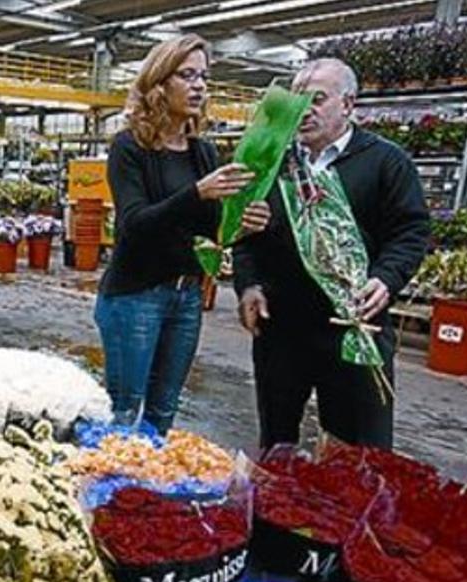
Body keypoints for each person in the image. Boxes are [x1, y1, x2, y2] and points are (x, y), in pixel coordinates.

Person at [233, 58, 430, 449]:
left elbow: (411, 231)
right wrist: (248, 284)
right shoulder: (272, 163)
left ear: (348, 104)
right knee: (277, 444)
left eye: (317, 99)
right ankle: (274, 512)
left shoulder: (385, 162)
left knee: (358, 451)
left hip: (355, 327)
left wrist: (387, 278)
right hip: (282, 329)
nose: (304, 110)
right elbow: (245, 236)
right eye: (298, 99)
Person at [96, 34, 270, 435]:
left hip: (187, 295)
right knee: (123, 410)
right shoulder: (129, 147)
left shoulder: (202, 151)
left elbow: (210, 230)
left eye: (204, 77)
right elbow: (133, 225)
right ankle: (107, 490)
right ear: (160, 82)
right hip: (135, 296)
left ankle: (146, 495)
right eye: (187, 75)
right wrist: (196, 192)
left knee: (164, 409)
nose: (199, 86)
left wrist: (243, 224)